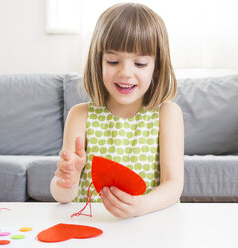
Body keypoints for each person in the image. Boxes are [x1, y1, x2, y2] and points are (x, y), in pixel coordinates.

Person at [50, 2, 184, 218]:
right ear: (99, 62)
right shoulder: (79, 116)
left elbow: (173, 184)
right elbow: (61, 196)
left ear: (156, 67)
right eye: (113, 61)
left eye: (139, 64)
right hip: (93, 227)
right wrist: (67, 180)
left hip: (149, 223)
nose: (125, 72)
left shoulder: (167, 114)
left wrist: (142, 206)